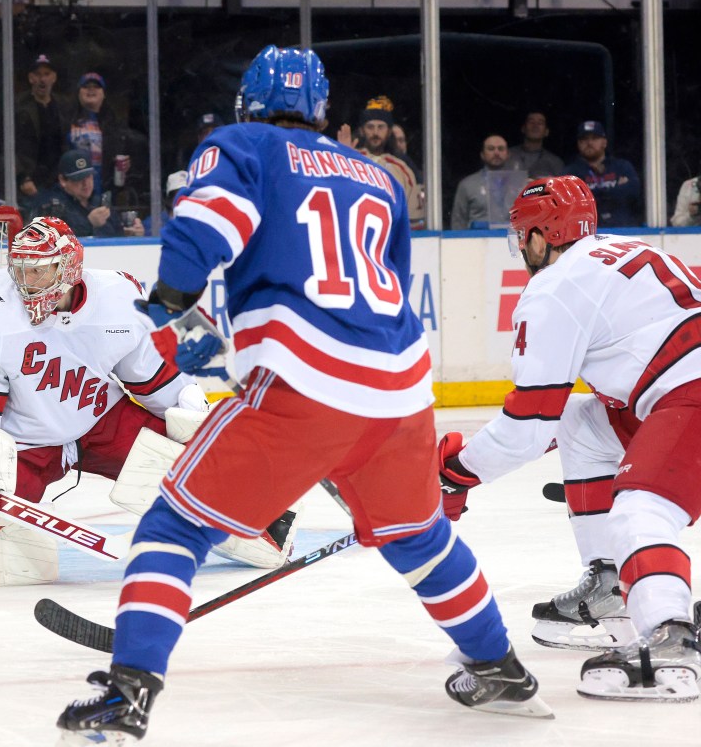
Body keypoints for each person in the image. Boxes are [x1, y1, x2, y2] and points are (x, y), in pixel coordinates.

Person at [56, 45, 551, 745]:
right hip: (402, 387)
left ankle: (127, 689)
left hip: (305, 383)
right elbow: (389, 275)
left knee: (176, 525)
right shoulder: (377, 176)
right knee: (417, 534)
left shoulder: (242, 144)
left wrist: (172, 290)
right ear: (324, 111)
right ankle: (499, 664)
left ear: (248, 101)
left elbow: (205, 226)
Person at [437, 175, 701, 702]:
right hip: (669, 387)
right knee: (583, 421)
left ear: (539, 235)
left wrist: (456, 470)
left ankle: (673, 642)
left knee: (640, 510)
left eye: (522, 237)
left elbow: (528, 428)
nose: (522, 251)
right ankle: (612, 582)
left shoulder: (552, 289)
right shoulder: (620, 251)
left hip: (688, 390)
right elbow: (559, 420)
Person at [0, 215, 206, 507]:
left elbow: (153, 375)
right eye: (21, 271)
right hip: (27, 444)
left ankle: (249, 514)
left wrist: (190, 415)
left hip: (100, 422)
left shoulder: (118, 297)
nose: (26, 282)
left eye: (38, 271)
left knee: (193, 472)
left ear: (68, 267)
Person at [337, 95, 424, 227]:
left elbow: (414, 219)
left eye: (381, 127)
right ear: (361, 130)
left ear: (389, 131)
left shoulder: (402, 168)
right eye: (370, 127)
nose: (375, 132)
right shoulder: (351, 159)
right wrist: (343, 156)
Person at [32, 149, 141, 238]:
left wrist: (131, 234)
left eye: (88, 176)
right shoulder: (50, 207)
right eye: (78, 178)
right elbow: (51, 243)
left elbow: (117, 237)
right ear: (63, 180)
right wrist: (89, 224)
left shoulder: (100, 202)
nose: (86, 183)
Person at [562, 120, 641, 227]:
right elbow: (570, 203)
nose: (589, 143)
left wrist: (591, 194)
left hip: (624, 232)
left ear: (604, 142)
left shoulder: (622, 166)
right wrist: (615, 190)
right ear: (578, 143)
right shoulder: (570, 173)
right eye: (584, 139)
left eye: (594, 138)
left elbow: (634, 191)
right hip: (586, 235)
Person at [67, 72, 132, 194]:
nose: (91, 89)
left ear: (103, 94)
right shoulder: (67, 120)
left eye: (96, 86)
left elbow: (119, 157)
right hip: (73, 191)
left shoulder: (113, 125)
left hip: (103, 191)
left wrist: (126, 166)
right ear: (78, 93)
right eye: (86, 86)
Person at [16, 54, 67, 200]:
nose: (42, 79)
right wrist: (22, 177)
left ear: (54, 77)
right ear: (31, 78)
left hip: (59, 181)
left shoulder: (63, 106)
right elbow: (8, 146)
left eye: (46, 74)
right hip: (30, 183)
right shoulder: (18, 107)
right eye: (37, 74)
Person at [450, 134, 526, 229]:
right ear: (482, 154)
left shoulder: (521, 185)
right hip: (476, 241)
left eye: (501, 149)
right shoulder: (467, 184)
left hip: (513, 240)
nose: (496, 153)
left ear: (508, 154)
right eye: (491, 149)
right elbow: (458, 222)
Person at [508, 111, 564, 179]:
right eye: (531, 122)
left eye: (540, 123)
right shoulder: (507, 155)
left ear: (546, 132)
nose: (535, 126)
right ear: (523, 128)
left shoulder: (555, 162)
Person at [142, 170, 187, 234]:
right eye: (179, 195)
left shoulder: (201, 221)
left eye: (188, 195)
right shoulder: (152, 224)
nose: (184, 200)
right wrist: (140, 234)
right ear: (169, 199)